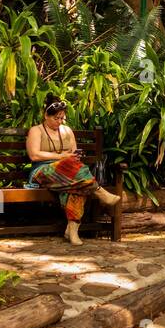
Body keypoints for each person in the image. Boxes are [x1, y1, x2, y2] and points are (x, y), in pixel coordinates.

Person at [26, 99, 120, 246]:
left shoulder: (67, 131)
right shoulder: (36, 130)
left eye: (62, 118)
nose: (59, 121)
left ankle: (72, 231)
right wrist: (61, 156)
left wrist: (70, 157)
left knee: (78, 185)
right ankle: (99, 191)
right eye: (55, 118)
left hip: (68, 174)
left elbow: (74, 157)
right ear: (46, 115)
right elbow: (34, 155)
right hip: (42, 171)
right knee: (75, 174)